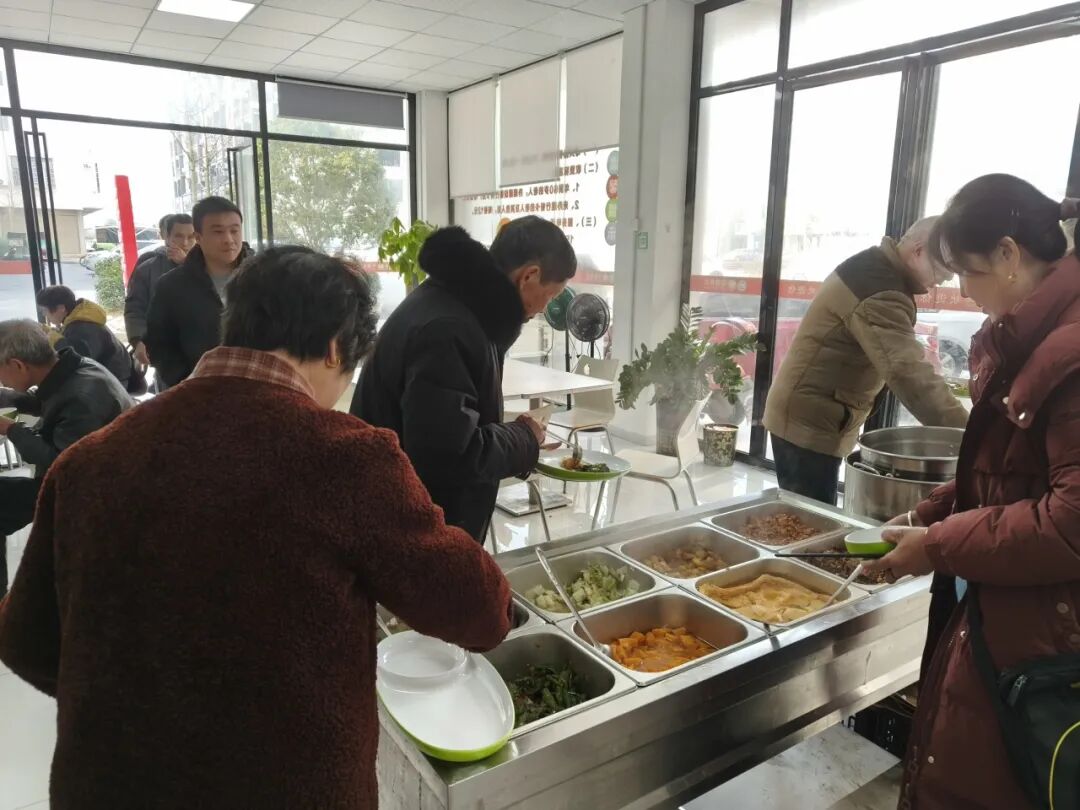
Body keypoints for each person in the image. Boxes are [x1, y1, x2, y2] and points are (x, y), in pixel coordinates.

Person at [0, 246, 513, 809]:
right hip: (283, 787)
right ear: (335, 348)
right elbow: (472, 606)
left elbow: (26, 641)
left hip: (107, 787)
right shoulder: (345, 456)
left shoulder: (87, 461)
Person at [862, 177, 1080, 810]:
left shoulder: (1068, 351)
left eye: (968, 271)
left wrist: (937, 545)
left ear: (1010, 254)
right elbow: (1015, 472)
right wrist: (929, 513)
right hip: (1013, 600)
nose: (961, 290)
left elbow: (1070, 522)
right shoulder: (1032, 333)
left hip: (1048, 631)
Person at [353, 217, 577, 541]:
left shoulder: (458, 305)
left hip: (409, 515)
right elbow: (450, 455)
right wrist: (524, 437)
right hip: (409, 529)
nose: (546, 308)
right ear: (529, 276)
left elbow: (450, 426)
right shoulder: (449, 329)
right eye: (552, 296)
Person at [763, 217, 969, 504]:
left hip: (812, 414)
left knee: (810, 513)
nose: (942, 282)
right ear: (919, 251)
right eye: (942, 271)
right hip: (808, 423)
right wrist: (970, 435)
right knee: (811, 520)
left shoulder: (875, 268)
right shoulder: (879, 290)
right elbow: (908, 374)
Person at [0, 320, 133, 595]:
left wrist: (9, 428)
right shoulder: (77, 369)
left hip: (95, 490)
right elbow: (50, 400)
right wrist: (8, 397)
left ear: (18, 365)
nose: (1, 381)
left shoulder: (82, 397)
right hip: (93, 473)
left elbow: (59, 461)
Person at [145, 196, 251, 388]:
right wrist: (186, 382)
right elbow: (159, 344)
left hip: (256, 388)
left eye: (234, 230)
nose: (229, 240)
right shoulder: (172, 286)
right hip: (196, 391)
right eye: (218, 231)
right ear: (198, 237)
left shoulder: (264, 279)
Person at [126, 213, 195, 369]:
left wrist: (186, 264)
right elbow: (135, 308)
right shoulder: (148, 268)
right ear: (167, 237)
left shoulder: (210, 266)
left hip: (203, 351)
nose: (185, 242)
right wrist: (138, 340)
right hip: (166, 354)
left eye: (191, 237)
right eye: (178, 236)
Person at [36, 284, 133, 391]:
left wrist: (57, 341)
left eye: (45, 310)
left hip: (112, 382)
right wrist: (53, 333)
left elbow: (80, 358)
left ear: (61, 308)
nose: (45, 315)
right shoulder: (81, 318)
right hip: (113, 375)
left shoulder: (82, 325)